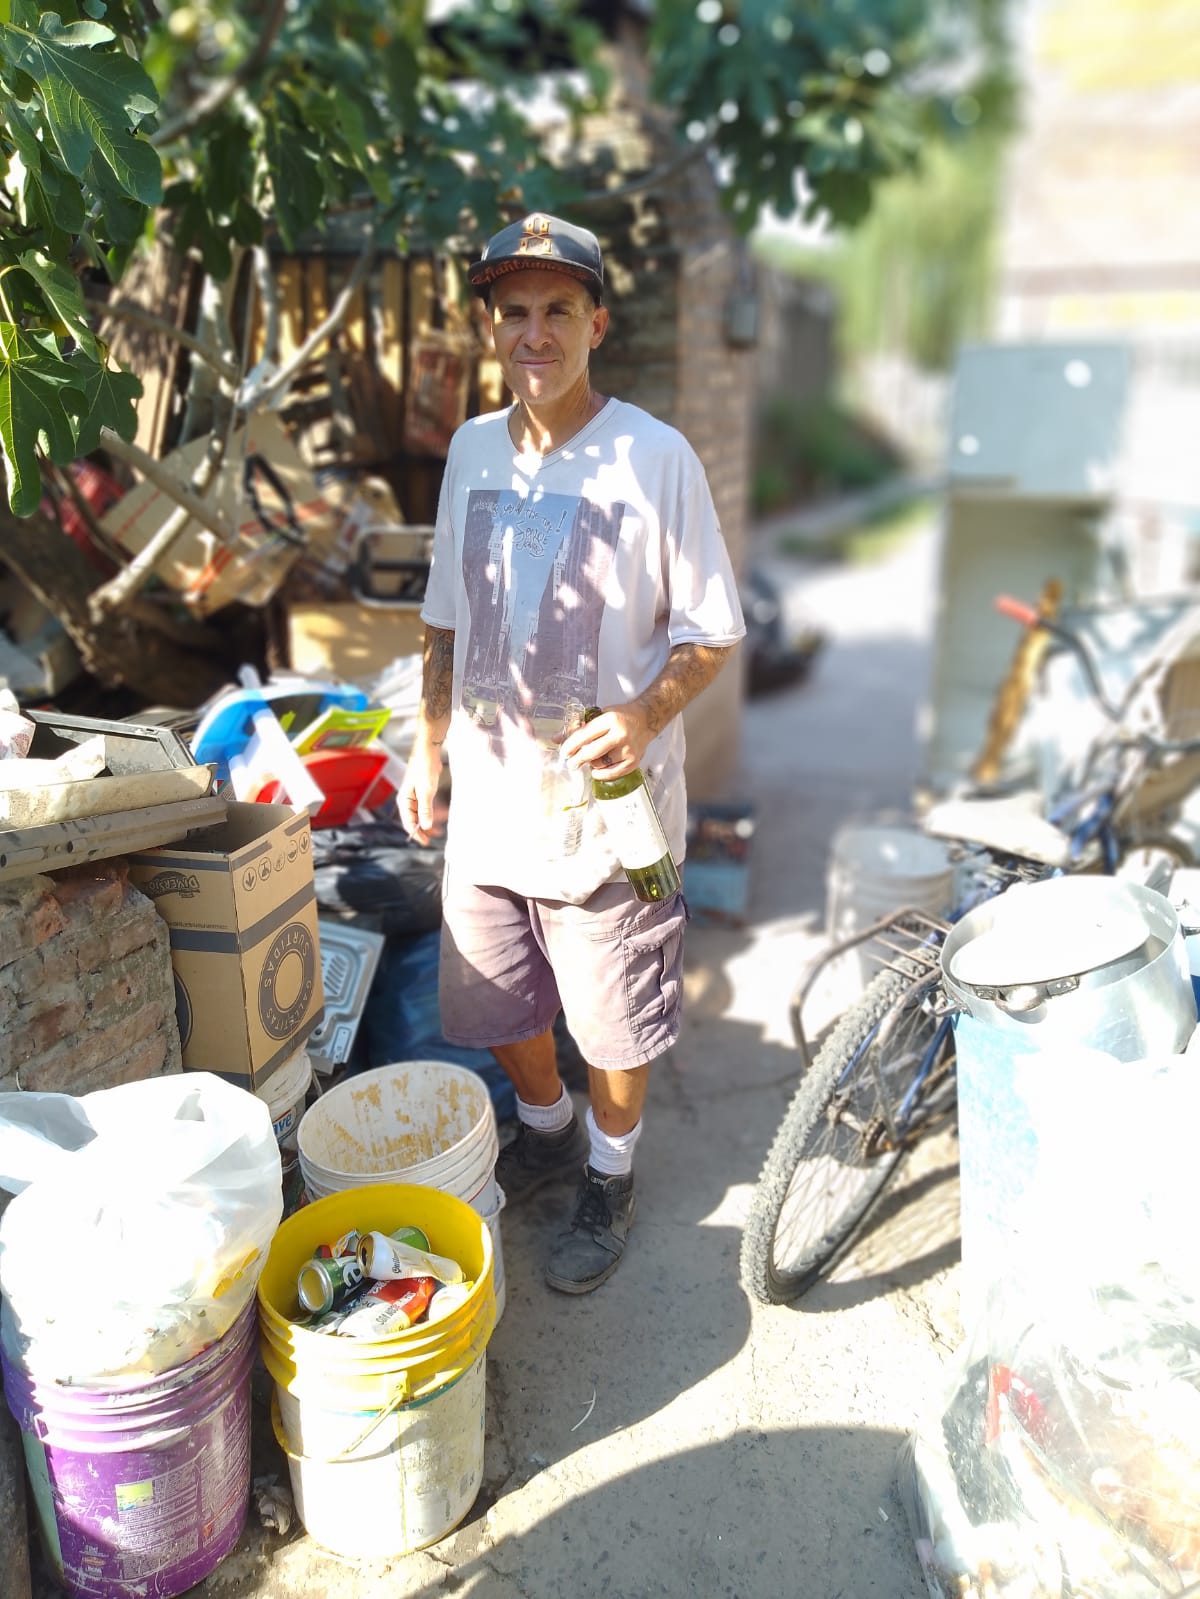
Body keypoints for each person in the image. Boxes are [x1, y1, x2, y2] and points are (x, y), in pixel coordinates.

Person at [398, 211, 745, 1294]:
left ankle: (610, 1171)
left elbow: (712, 630)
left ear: (598, 321)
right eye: (514, 313)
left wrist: (644, 715)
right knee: (494, 1004)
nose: (533, 333)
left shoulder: (654, 457)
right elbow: (445, 618)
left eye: (557, 310)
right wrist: (426, 745)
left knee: (614, 1017)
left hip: (610, 814)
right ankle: (547, 1128)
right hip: (494, 805)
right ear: (494, 330)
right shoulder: (469, 451)